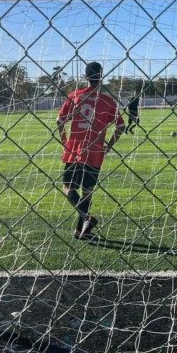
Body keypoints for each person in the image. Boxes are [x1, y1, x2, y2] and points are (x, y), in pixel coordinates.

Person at [56, 62, 125, 240]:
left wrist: (65, 140)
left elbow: (59, 121)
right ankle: (82, 230)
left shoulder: (74, 96)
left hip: (75, 148)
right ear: (101, 76)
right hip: (95, 150)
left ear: (85, 77)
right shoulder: (107, 101)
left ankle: (85, 220)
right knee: (88, 191)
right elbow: (120, 126)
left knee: (68, 187)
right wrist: (108, 146)